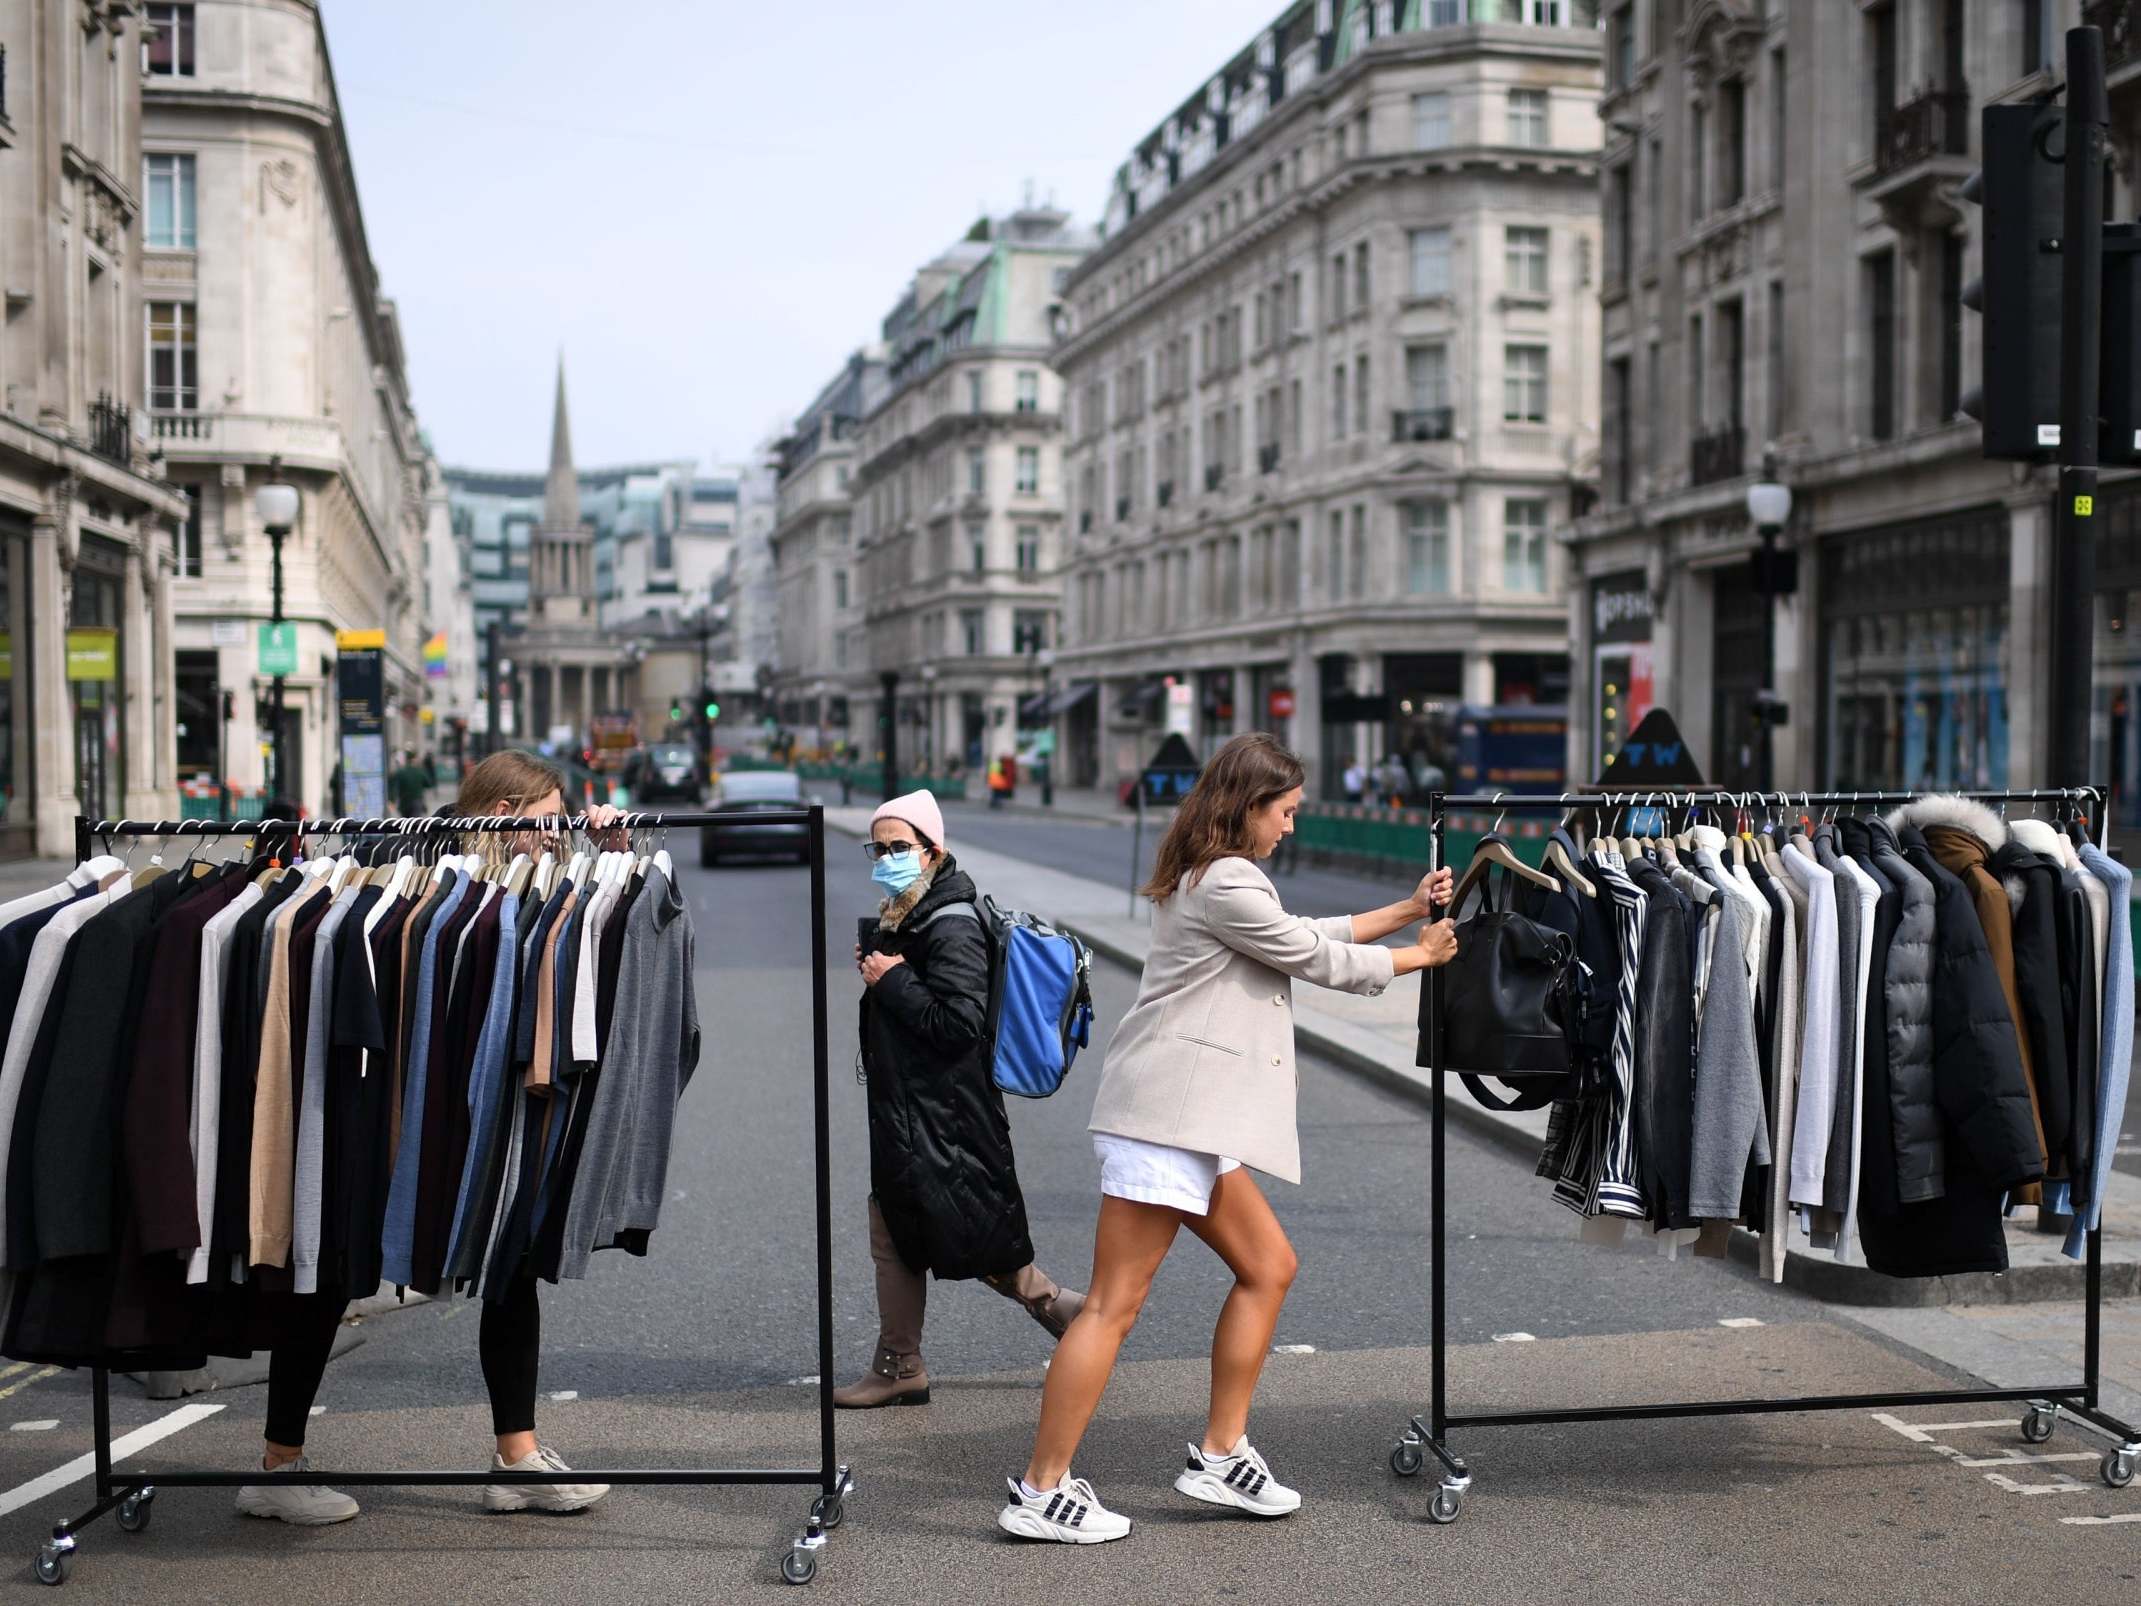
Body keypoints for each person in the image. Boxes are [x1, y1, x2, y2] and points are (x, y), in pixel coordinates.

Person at [996, 732, 1457, 1544]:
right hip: (1168, 1120)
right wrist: (1415, 956)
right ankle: (1040, 1490)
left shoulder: (1209, 873)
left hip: (1190, 1122)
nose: (1289, 828)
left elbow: (1292, 930)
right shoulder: (1228, 877)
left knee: (1268, 1266)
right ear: (1247, 806)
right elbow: (1310, 955)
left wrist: (1403, 909)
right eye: (1283, 812)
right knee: (1110, 1307)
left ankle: (1218, 1453)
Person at [234, 749, 626, 1526]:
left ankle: (516, 1457)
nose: (555, 838)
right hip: (384, 1098)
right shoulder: (407, 868)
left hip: (469, 1099)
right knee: (333, 1265)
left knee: (510, 1262)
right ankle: (278, 1467)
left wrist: (605, 853)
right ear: (506, 813)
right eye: (548, 821)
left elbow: (581, 927)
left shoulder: (520, 883)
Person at [835, 789, 1084, 1408]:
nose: (887, 857)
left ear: (932, 851)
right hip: (917, 1111)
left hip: (945, 1116)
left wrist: (892, 980)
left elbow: (958, 1024)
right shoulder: (911, 915)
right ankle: (902, 1363)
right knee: (901, 1229)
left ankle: (1076, 1319)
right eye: (879, 847)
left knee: (968, 1239)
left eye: (900, 847)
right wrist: (888, 970)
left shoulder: (950, 923)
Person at [389, 750, 429, 818]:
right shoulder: (420, 771)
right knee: (415, 824)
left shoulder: (400, 772)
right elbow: (428, 784)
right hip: (417, 802)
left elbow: (392, 785)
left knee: (405, 824)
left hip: (404, 802)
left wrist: (392, 800)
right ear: (414, 759)